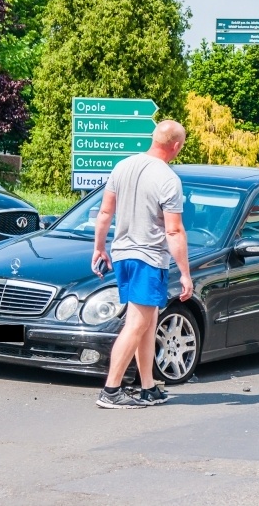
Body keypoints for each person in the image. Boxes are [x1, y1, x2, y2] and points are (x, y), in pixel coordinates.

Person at [91, 119, 193, 409]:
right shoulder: (168, 179)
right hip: (148, 257)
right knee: (137, 323)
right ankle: (111, 391)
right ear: (176, 146)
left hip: (123, 254)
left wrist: (99, 248)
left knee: (149, 321)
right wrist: (185, 273)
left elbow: (104, 212)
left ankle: (148, 387)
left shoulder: (123, 166)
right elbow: (173, 230)